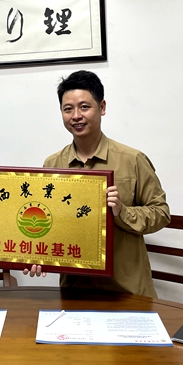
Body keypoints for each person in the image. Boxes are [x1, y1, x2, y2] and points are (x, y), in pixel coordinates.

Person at [42, 70, 170, 297]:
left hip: (128, 291)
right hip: (75, 290)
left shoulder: (133, 160)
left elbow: (161, 213)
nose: (76, 116)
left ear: (102, 107)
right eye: (68, 109)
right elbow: (47, 220)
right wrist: (36, 254)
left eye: (84, 107)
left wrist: (122, 212)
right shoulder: (53, 164)